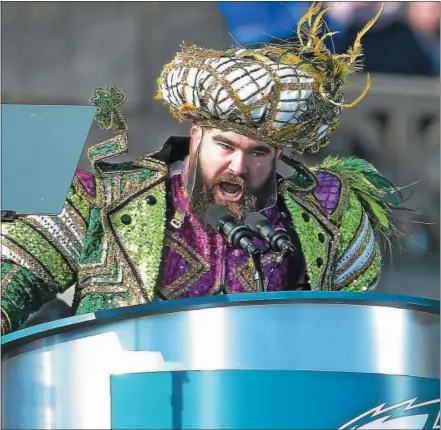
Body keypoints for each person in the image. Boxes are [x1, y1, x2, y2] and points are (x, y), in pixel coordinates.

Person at [1, 2, 405, 335]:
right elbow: (10, 288)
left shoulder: (327, 213)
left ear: (279, 156)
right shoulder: (101, 199)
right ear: (196, 135)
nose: (239, 166)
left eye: (258, 153)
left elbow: (360, 337)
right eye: (224, 145)